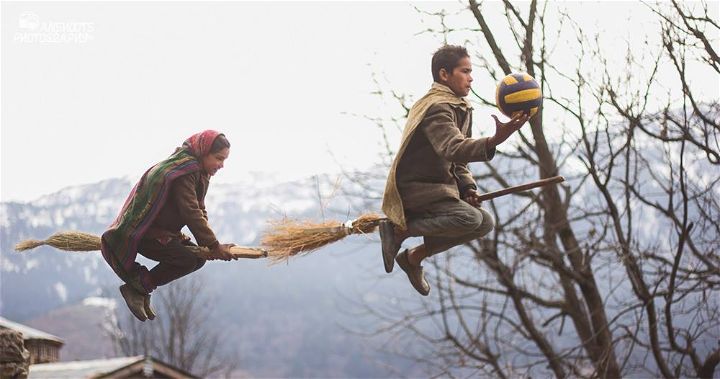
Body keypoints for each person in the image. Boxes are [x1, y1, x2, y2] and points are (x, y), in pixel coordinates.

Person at [380, 45, 529, 296]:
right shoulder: (437, 107)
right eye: (465, 71)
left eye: (471, 72)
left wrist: (467, 187)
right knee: (469, 219)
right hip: (417, 190)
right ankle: (399, 230)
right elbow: (453, 148)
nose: (471, 78)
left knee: (484, 223)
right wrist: (493, 141)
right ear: (444, 75)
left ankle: (413, 257)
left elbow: (459, 163)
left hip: (439, 190)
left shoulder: (460, 106)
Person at [101, 130, 236, 321]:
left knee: (199, 259)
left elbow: (200, 209)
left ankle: (140, 290)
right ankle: (138, 287)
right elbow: (191, 212)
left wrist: (209, 247)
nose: (221, 165)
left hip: (165, 234)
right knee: (187, 260)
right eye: (218, 158)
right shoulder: (187, 171)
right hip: (145, 234)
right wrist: (214, 246)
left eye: (224, 160)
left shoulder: (200, 174)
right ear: (204, 152)